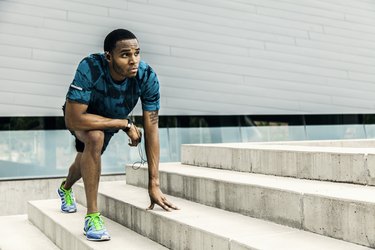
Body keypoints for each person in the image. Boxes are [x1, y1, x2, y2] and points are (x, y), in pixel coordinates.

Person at [57, 28, 178, 241]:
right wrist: (124, 124)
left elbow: (152, 129)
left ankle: (65, 188)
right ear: (108, 56)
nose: (133, 60)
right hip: (84, 118)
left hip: (111, 121)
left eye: (137, 53)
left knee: (87, 155)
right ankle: (92, 217)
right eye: (125, 55)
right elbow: (73, 118)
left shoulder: (146, 76)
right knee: (95, 138)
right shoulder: (90, 67)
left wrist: (154, 184)